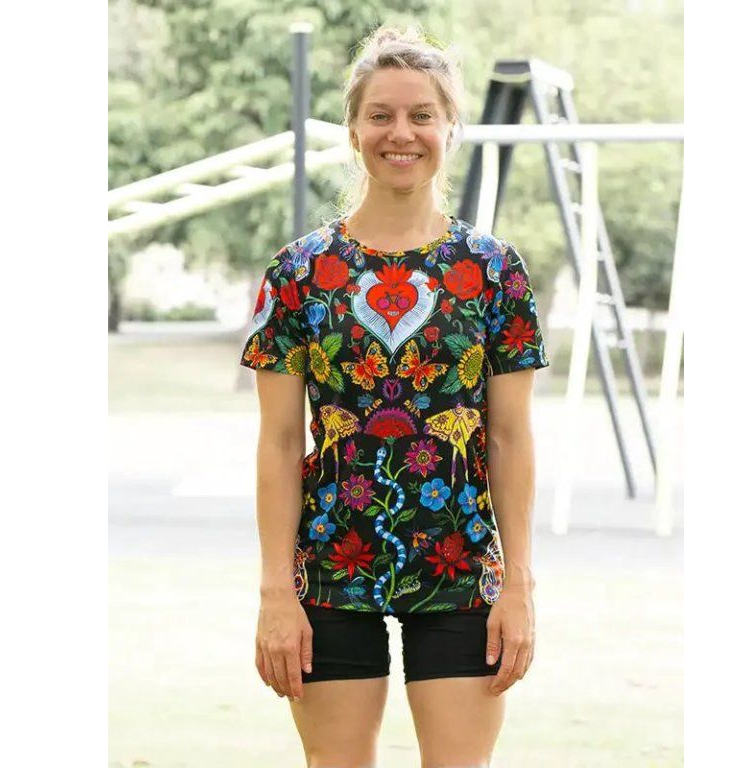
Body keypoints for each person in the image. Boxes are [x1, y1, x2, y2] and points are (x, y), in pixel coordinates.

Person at [238, 23, 550, 768]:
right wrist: (276, 593)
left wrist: (518, 584)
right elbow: (279, 443)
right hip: (330, 568)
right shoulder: (298, 272)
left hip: (460, 568)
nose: (400, 133)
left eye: (421, 115)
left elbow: (509, 437)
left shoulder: (494, 270)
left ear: (450, 128)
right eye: (380, 114)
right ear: (353, 129)